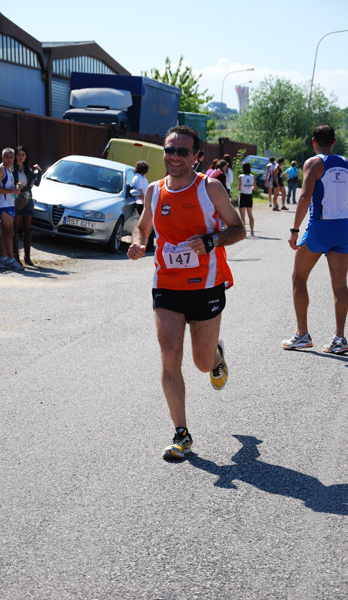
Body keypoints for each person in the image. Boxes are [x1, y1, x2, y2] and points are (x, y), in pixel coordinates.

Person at [127, 125, 245, 460]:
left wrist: (211, 241)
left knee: (201, 361)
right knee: (169, 354)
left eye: (182, 151)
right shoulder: (153, 190)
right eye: (169, 150)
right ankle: (181, 433)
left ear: (196, 157)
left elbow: (238, 229)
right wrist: (138, 243)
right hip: (167, 284)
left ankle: (217, 358)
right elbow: (143, 227)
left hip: (206, 284)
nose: (174, 157)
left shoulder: (210, 188)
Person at [282, 125, 348, 354]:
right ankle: (339, 339)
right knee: (340, 284)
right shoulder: (347, 164)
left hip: (320, 226)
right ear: (334, 141)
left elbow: (304, 196)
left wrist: (295, 229)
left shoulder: (313, 163)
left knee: (298, 279)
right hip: (343, 226)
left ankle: (302, 335)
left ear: (314, 142)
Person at [0, 147, 24, 271]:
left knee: (4, 233)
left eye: (11, 157)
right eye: (7, 157)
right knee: (10, 233)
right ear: (2, 157)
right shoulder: (0, 169)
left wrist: (17, 188)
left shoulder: (9, 170)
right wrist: (13, 190)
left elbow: (11, 191)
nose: (9, 159)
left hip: (9, 204)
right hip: (2, 205)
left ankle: (3, 259)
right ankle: (11, 259)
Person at [12, 146, 42, 266]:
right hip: (16, 199)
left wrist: (39, 171)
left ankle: (27, 258)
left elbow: (37, 183)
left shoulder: (28, 170)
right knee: (15, 228)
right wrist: (26, 187)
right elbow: (15, 186)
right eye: (19, 154)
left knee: (27, 228)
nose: (21, 157)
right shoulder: (12, 169)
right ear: (15, 156)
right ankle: (16, 257)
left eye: (23, 155)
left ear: (26, 157)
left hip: (28, 199)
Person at [132, 160, 155, 251]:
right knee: (147, 224)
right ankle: (147, 247)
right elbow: (140, 193)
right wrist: (147, 203)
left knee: (150, 224)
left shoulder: (143, 178)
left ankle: (150, 246)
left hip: (145, 203)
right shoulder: (137, 178)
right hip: (141, 204)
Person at [238, 161, 257, 236]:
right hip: (249, 196)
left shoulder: (241, 177)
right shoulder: (252, 176)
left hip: (243, 195)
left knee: (242, 216)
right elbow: (255, 187)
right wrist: (249, 188)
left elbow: (239, 188)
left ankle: (243, 231)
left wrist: (244, 187)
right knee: (250, 215)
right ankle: (252, 231)